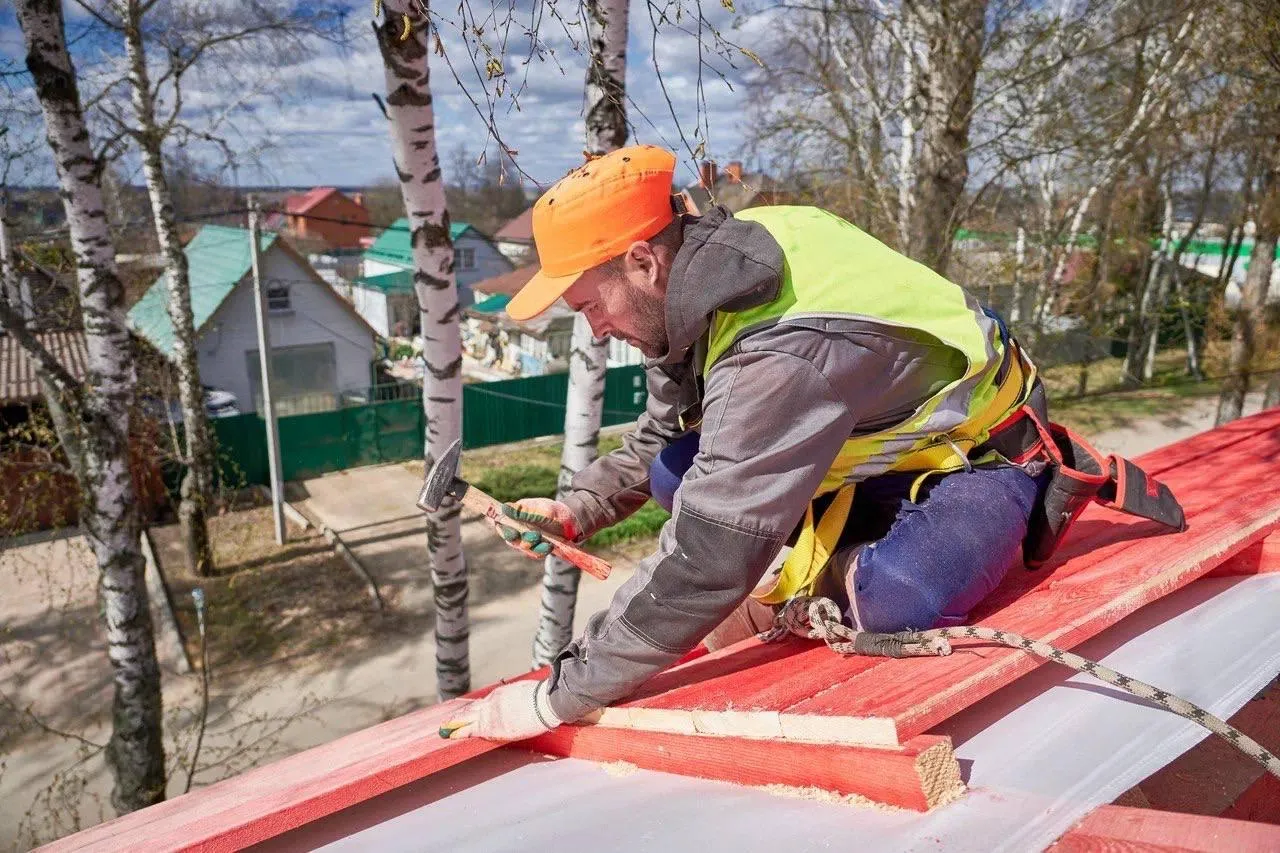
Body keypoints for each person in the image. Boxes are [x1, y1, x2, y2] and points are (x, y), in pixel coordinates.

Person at [445, 145, 1184, 742]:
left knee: (896, 597)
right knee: (680, 472)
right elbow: (671, 432)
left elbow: (706, 559)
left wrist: (557, 696)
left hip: (981, 451)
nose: (593, 326)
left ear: (643, 261)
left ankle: (1015, 499)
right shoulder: (708, 278)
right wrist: (575, 510)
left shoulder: (780, 356)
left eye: (587, 304)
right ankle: (807, 561)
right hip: (881, 433)